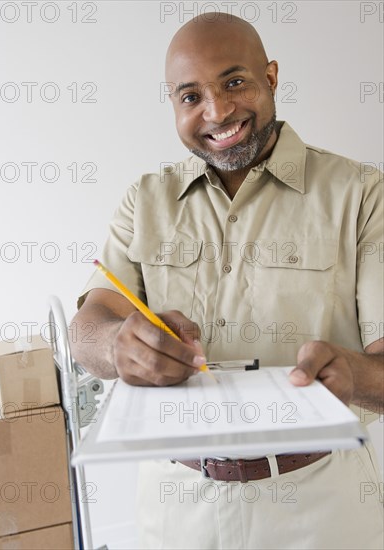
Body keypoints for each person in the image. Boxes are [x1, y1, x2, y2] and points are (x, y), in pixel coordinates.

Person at [70, 13, 384, 550]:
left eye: (235, 82)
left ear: (273, 77)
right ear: (173, 104)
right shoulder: (143, 200)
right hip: (174, 512)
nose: (217, 111)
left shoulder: (360, 193)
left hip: (324, 508)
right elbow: (88, 326)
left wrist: (354, 374)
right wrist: (116, 345)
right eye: (190, 96)